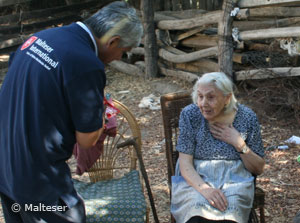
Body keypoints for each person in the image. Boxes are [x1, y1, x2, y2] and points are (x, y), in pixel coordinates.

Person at [0, 1, 143, 223]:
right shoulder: (86, 64)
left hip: (6, 166)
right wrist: (100, 120)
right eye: (123, 52)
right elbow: (87, 140)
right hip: (37, 177)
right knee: (70, 216)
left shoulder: (42, 37)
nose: (119, 58)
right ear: (113, 41)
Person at [171, 72, 265, 223]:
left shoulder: (247, 117)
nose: (203, 103)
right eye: (200, 96)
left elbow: (258, 168)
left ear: (227, 98)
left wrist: (239, 143)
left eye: (211, 97)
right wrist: (205, 189)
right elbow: (185, 163)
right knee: (196, 217)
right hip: (196, 178)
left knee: (229, 218)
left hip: (235, 180)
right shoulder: (190, 114)